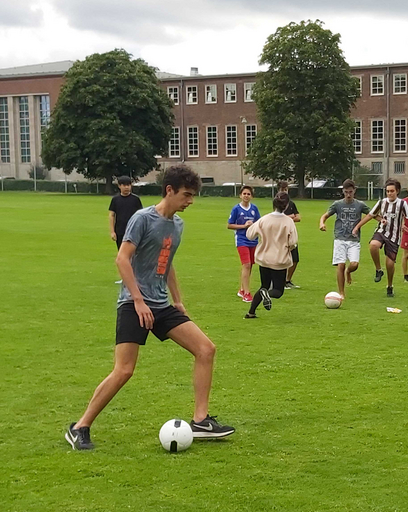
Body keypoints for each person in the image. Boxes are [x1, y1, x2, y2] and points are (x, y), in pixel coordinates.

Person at [65, 164, 235, 450]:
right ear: (169, 190)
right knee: (124, 370)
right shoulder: (142, 219)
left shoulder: (177, 225)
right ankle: (80, 427)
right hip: (133, 304)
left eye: (192, 196)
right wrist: (138, 300)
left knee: (206, 349)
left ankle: (201, 420)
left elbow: (166, 262)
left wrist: (178, 300)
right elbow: (122, 259)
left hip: (160, 305)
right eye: (186, 195)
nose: (190, 201)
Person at [352, 180, 408, 298]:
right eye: (387, 191)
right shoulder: (382, 202)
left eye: (392, 191)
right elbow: (370, 215)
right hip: (381, 231)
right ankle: (378, 270)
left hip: (394, 237)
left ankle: (390, 286)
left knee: (390, 264)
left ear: (397, 191)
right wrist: (357, 227)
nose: (389, 193)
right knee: (373, 245)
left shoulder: (402, 204)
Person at [244, 193, 298, 319]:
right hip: (279, 260)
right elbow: (293, 242)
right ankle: (266, 294)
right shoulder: (288, 222)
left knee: (264, 286)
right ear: (286, 205)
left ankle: (251, 312)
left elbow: (250, 235)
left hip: (264, 259)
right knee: (278, 291)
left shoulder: (264, 219)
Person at [319, 180, 370, 299]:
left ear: (354, 191)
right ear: (343, 191)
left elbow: (372, 214)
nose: (348, 195)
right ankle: (341, 292)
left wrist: (382, 220)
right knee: (340, 265)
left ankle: (348, 271)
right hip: (340, 239)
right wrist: (322, 223)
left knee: (354, 264)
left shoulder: (360, 205)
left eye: (350, 192)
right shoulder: (337, 204)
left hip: (354, 240)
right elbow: (325, 215)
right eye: (346, 192)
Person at [227, 185, 261, 303]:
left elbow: (259, 223)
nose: (246, 196)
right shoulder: (236, 209)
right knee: (246, 264)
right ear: (240, 195)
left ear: (251, 196)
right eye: (244, 194)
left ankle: (242, 289)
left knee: (250, 265)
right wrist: (244, 226)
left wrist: (254, 226)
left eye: (248, 194)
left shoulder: (254, 208)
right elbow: (229, 225)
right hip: (241, 240)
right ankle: (247, 293)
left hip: (253, 240)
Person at [109, 179, 143, 282]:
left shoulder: (135, 199)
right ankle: (124, 278)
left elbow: (142, 215)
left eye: (128, 185)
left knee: (135, 255)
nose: (127, 187)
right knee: (122, 256)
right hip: (120, 231)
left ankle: (136, 277)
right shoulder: (115, 199)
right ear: (119, 186)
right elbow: (112, 215)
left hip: (134, 231)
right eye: (124, 185)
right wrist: (112, 231)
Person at [277, 181, 301, 288]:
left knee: (295, 259)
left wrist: (288, 218)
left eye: (286, 189)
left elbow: (298, 218)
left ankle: (287, 280)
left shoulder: (291, 204)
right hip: (280, 235)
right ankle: (278, 281)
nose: (284, 192)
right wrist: (290, 217)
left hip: (291, 235)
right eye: (282, 190)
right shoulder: (277, 204)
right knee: (281, 259)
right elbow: (277, 218)